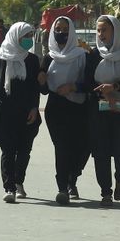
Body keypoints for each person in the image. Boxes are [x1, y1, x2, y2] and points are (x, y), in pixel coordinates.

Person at [0, 22, 41, 203]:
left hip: (27, 111)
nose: (28, 40)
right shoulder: (2, 57)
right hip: (6, 111)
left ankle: (18, 182)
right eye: (25, 37)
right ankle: (9, 188)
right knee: (8, 150)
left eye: (30, 36)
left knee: (24, 150)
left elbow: (34, 86)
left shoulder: (32, 60)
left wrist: (34, 108)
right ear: (16, 37)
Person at [85, 15, 120, 207]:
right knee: (100, 151)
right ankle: (105, 192)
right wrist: (103, 92)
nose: (101, 35)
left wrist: (114, 88)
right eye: (98, 31)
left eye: (104, 30)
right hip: (99, 110)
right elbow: (87, 80)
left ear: (115, 31)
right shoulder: (94, 54)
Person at [38, 16, 90, 205]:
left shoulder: (82, 55)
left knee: (82, 148)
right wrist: (42, 81)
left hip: (79, 107)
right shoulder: (48, 57)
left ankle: (72, 178)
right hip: (56, 108)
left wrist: (74, 87)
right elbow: (43, 89)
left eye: (65, 30)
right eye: (57, 30)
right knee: (62, 148)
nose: (61, 33)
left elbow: (90, 83)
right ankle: (62, 188)